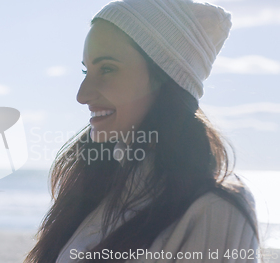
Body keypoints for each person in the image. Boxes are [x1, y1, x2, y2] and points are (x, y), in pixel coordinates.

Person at [24, 0, 260, 262]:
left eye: (107, 69)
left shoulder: (216, 210)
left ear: (166, 80)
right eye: (86, 70)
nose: (82, 95)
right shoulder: (99, 188)